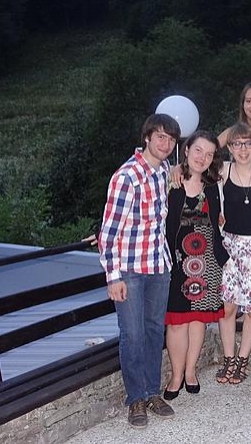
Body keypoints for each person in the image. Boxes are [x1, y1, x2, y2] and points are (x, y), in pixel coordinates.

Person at [98, 113, 180, 428]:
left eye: (171, 139)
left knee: (153, 331)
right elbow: (108, 233)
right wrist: (113, 276)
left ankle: (151, 392)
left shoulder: (163, 171)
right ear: (147, 137)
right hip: (129, 270)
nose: (165, 143)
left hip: (158, 265)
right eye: (160, 137)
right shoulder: (127, 176)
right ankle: (135, 399)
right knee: (132, 335)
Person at [163, 131, 228, 401]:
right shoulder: (170, 181)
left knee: (198, 320)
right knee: (177, 322)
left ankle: (191, 371)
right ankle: (176, 375)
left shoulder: (213, 187)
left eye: (209, 154)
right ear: (187, 150)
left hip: (206, 263)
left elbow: (217, 221)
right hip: (175, 262)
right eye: (198, 150)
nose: (203, 158)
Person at [215, 122, 251, 385]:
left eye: (248, 143)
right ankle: (228, 358)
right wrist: (177, 169)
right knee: (227, 308)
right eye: (237, 144)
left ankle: (242, 360)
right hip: (229, 247)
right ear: (229, 147)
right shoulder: (221, 172)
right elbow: (193, 161)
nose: (243, 149)